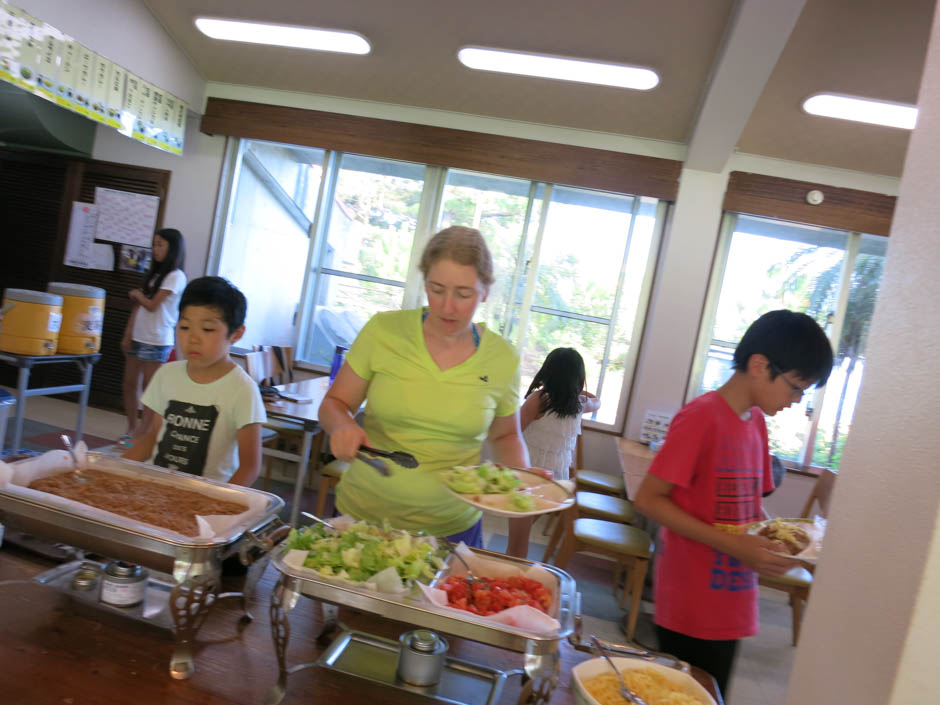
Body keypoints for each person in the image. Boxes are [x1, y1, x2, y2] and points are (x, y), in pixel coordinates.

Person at [634, 309, 833, 697]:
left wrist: (778, 538)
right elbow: (649, 499)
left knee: (712, 693)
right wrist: (735, 545)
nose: (797, 400)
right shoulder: (701, 417)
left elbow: (748, 508)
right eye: (795, 387)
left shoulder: (755, 422)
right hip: (691, 603)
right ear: (760, 365)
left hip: (733, 601)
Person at [318, 226, 529, 550]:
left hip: (451, 526)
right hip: (364, 515)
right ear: (424, 281)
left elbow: (505, 436)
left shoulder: (502, 357)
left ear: (485, 291)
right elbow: (335, 402)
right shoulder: (383, 331)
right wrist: (343, 425)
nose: (447, 307)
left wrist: (522, 479)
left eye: (463, 294)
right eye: (436, 288)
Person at [122, 276, 266, 487]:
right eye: (184, 327)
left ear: (236, 334)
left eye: (207, 329)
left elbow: (250, 467)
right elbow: (152, 437)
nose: (193, 338)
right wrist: (114, 471)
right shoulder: (166, 375)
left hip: (206, 499)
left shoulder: (242, 389)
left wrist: (220, 504)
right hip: (155, 490)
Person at [120, 228, 187, 446]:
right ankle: (131, 427)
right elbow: (139, 308)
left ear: (172, 248)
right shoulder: (156, 274)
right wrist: (128, 332)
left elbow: (151, 305)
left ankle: (143, 433)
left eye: (160, 245)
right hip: (139, 335)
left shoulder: (176, 276)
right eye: (155, 244)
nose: (155, 249)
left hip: (157, 339)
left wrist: (138, 294)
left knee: (150, 390)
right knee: (129, 384)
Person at [520, 347, 601, 481]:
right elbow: (597, 401)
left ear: (547, 372)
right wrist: (572, 391)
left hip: (531, 470)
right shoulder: (580, 405)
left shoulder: (539, 399)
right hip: (559, 477)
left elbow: (515, 431)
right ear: (579, 378)